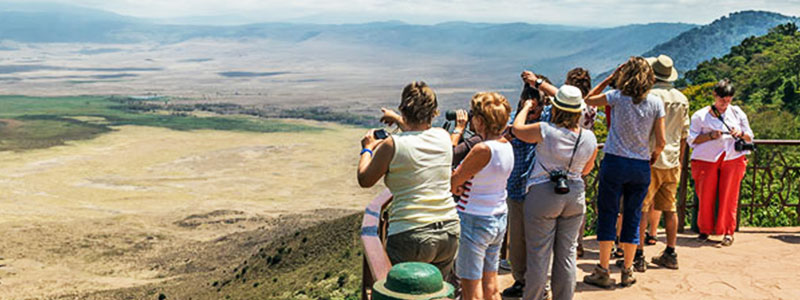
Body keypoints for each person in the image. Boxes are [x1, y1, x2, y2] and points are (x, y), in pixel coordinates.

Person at [357, 81, 460, 278]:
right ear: (434, 111)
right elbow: (417, 133)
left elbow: (365, 179)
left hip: (410, 233)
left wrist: (367, 148)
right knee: (437, 293)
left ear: (404, 108)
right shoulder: (443, 136)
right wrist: (397, 119)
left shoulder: (391, 145)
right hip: (448, 230)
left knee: (402, 294)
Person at [582, 57, 666, 288]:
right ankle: (628, 269)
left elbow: (588, 100)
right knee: (633, 215)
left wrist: (609, 79)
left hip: (615, 162)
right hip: (640, 166)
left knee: (608, 214)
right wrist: (652, 157)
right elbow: (661, 141)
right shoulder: (656, 103)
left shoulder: (616, 98)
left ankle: (603, 269)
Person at [511, 85, 598, 300]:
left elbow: (516, 129)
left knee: (539, 256)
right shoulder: (589, 138)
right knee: (567, 255)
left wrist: (526, 107)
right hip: (575, 194)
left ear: (557, 108)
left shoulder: (545, 130)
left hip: (543, 194)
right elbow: (587, 169)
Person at [451, 92, 514, 300]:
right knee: (491, 287)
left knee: (471, 290)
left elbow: (453, 181)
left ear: (479, 121)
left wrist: (458, 185)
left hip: (473, 219)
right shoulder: (507, 146)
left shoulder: (482, 149)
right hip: (498, 217)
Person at [634, 55, 690, 271]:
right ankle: (671, 251)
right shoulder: (682, 98)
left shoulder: (650, 96)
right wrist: (680, 160)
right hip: (673, 160)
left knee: (643, 207)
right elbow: (684, 134)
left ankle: (639, 254)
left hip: (650, 158)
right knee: (670, 208)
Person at [500, 82, 552, 298]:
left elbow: (566, 102)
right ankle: (521, 281)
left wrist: (539, 84)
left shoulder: (546, 123)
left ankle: (541, 286)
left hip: (538, 192)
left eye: (536, 108)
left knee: (539, 243)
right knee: (518, 242)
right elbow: (507, 134)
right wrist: (524, 109)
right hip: (516, 191)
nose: (533, 112)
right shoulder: (514, 124)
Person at [687, 79, 752, 247]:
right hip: (706, 158)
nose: (725, 104)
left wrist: (741, 132)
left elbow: (750, 135)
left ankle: (728, 231)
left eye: (728, 100)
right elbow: (691, 140)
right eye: (722, 100)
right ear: (715, 96)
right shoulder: (700, 115)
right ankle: (704, 229)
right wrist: (710, 136)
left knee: (730, 196)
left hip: (732, 157)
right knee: (705, 194)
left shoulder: (737, 112)